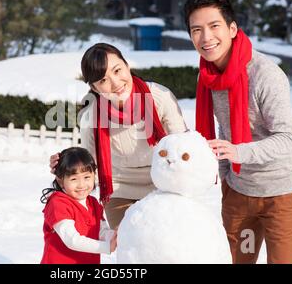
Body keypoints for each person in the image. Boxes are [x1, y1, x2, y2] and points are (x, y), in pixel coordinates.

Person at [183, 0, 292, 264]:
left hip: (281, 193)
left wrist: (238, 153)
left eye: (214, 26)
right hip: (239, 191)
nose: (206, 37)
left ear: (233, 28)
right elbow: (222, 128)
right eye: (196, 30)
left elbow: (287, 138)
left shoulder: (266, 75)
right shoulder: (209, 77)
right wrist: (226, 175)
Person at [50, 43, 188, 229]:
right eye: (103, 80)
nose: (115, 83)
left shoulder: (159, 97)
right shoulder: (91, 116)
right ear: (95, 88)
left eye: (117, 70)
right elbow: (88, 164)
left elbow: (184, 145)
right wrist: (65, 165)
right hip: (119, 189)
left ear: (127, 65)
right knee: (130, 244)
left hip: (164, 183)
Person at [41, 147, 117, 264]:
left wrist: (115, 237)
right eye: (74, 179)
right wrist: (106, 247)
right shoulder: (58, 203)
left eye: (87, 177)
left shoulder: (93, 203)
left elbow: (101, 231)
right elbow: (72, 240)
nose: (81, 185)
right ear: (61, 181)